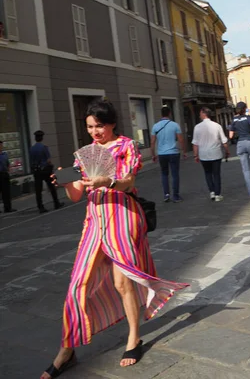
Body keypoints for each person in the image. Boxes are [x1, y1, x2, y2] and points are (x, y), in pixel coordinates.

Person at [41, 99, 188, 378]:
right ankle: (67, 348)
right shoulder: (84, 154)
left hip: (122, 215)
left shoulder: (126, 146)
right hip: (94, 219)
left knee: (123, 282)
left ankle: (134, 338)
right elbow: (75, 195)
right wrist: (63, 183)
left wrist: (106, 182)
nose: (95, 132)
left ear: (111, 124)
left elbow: (129, 182)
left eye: (99, 126)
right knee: (77, 285)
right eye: (89, 127)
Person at [192, 107, 230, 202]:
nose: (199, 115)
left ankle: (212, 192)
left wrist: (195, 155)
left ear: (204, 114)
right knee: (216, 174)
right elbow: (224, 140)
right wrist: (227, 151)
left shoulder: (197, 127)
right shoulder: (217, 126)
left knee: (207, 173)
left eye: (200, 113)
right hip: (215, 153)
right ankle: (218, 194)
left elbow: (195, 143)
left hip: (204, 155)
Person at [151, 105, 186, 203]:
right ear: (169, 113)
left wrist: (153, 154)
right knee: (175, 174)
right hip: (174, 153)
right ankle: (175, 196)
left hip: (162, 154)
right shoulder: (175, 125)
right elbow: (181, 139)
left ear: (161, 114)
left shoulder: (155, 126)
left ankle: (166, 194)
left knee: (164, 174)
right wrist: (184, 151)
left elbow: (152, 142)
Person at [30, 130, 64, 213]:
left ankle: (40, 207)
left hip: (36, 170)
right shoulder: (44, 147)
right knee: (51, 187)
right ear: (42, 138)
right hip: (45, 170)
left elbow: (31, 160)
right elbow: (48, 160)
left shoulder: (32, 148)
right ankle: (56, 203)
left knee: (38, 190)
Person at [0, 140, 16, 213]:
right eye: (0, 145)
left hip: (5, 174)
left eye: (1, 145)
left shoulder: (4, 154)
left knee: (6, 192)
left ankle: (8, 208)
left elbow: (7, 163)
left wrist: (9, 169)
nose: (1, 147)